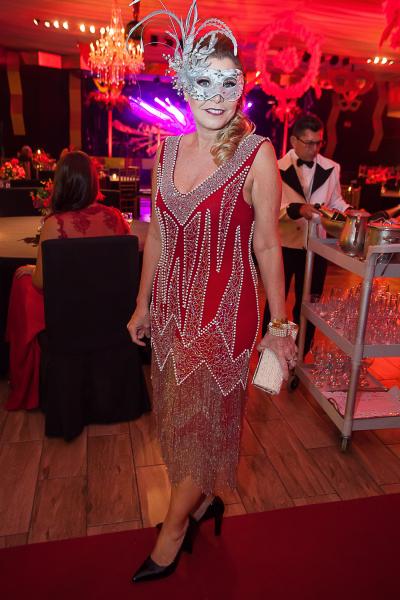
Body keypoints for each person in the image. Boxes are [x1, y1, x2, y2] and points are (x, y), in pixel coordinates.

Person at [127, 0, 296, 583]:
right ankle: (200, 503)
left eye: (229, 82)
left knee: (205, 424)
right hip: (171, 310)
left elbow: (268, 245)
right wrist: (142, 304)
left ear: (241, 87)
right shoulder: (167, 150)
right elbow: (156, 236)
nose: (217, 95)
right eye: (205, 82)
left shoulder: (258, 154)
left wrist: (280, 326)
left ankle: (174, 531)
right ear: (184, 85)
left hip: (226, 316)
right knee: (179, 419)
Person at [6, 151, 130, 411]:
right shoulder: (115, 218)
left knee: (23, 283)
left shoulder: (54, 224)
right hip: (109, 313)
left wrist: (34, 270)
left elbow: (41, 283)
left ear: (61, 182)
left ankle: (26, 379)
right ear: (94, 181)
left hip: (70, 317)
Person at [262, 113, 350, 355]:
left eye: (318, 143)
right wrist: (296, 209)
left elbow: (336, 201)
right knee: (276, 304)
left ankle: (301, 355)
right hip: (283, 245)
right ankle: (270, 355)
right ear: (294, 140)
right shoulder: (276, 167)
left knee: (310, 305)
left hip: (317, 246)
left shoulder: (332, 168)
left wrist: (349, 212)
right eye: (309, 143)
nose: (315, 149)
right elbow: (268, 207)